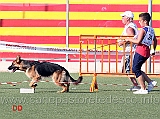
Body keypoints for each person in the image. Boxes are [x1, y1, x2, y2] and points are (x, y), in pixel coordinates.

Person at [125, 12, 157, 94]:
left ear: (145, 21)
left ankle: (143, 88)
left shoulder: (142, 30)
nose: (139, 22)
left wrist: (129, 40)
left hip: (141, 50)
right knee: (137, 68)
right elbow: (155, 40)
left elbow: (138, 41)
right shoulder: (151, 29)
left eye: (140, 21)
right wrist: (153, 49)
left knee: (135, 69)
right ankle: (150, 82)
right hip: (146, 50)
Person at [118, 11, 140, 91]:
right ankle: (137, 84)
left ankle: (138, 85)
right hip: (129, 51)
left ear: (127, 18)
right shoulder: (130, 26)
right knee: (128, 69)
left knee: (128, 69)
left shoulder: (130, 28)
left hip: (130, 51)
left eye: (123, 17)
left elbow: (132, 37)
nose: (122, 18)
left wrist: (122, 42)